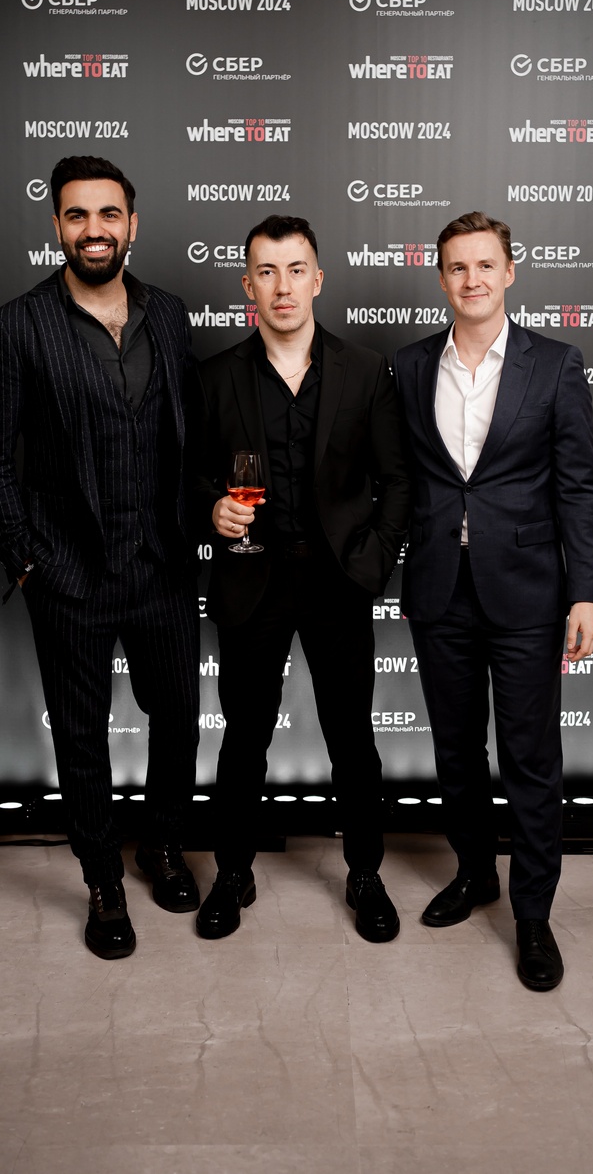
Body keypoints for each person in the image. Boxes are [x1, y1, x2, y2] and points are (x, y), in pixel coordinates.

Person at [0, 155, 200, 959]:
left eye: (108, 214)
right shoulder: (17, 326)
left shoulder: (169, 314)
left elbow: (187, 435)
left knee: (179, 719)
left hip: (163, 566)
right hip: (68, 574)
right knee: (81, 736)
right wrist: (27, 560)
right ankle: (103, 879)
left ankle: (162, 844)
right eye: (77, 215)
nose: (94, 230)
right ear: (57, 226)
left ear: (132, 224)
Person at [393, 211, 593, 990]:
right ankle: (475, 872)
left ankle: (533, 913)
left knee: (529, 758)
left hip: (528, 593)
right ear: (441, 277)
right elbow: (403, 477)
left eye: (486, 264)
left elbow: (579, 487)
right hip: (439, 589)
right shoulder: (410, 365)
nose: (472, 279)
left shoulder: (556, 363)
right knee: (455, 750)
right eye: (458, 266)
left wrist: (586, 593)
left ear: (509, 271)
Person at [192, 214, 410, 942]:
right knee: (243, 738)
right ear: (247, 285)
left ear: (317, 279)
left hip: (338, 583)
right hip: (250, 581)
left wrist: (372, 563)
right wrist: (211, 509)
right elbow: (186, 479)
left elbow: (398, 481)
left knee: (352, 739)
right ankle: (232, 871)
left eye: (295, 270)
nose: (282, 286)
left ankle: (365, 873)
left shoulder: (366, 370)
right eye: (267, 271)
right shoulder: (215, 376)